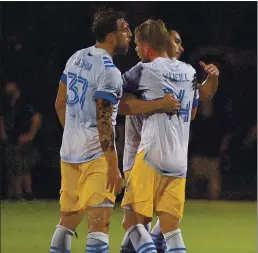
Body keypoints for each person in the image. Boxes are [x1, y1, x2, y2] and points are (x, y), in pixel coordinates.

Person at [51, 9, 180, 253]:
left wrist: (72, 135)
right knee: (100, 224)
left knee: (67, 221)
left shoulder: (76, 57)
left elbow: (59, 103)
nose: (129, 35)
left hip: (68, 152)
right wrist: (112, 165)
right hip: (96, 155)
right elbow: (104, 120)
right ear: (111, 36)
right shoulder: (109, 71)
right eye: (124, 30)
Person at [119, 28, 219, 253]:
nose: (180, 47)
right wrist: (212, 81)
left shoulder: (146, 71)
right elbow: (196, 107)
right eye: (176, 42)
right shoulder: (188, 72)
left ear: (147, 46)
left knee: (133, 223)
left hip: (146, 157)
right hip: (177, 160)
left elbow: (116, 101)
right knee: (167, 230)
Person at [0, 81, 41, 201]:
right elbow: (2, 118)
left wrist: (30, 135)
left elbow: (36, 118)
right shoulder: (6, 104)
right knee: (13, 167)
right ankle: (16, 194)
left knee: (24, 167)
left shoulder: (26, 103)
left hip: (24, 139)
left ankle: (27, 193)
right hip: (11, 139)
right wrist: (3, 134)